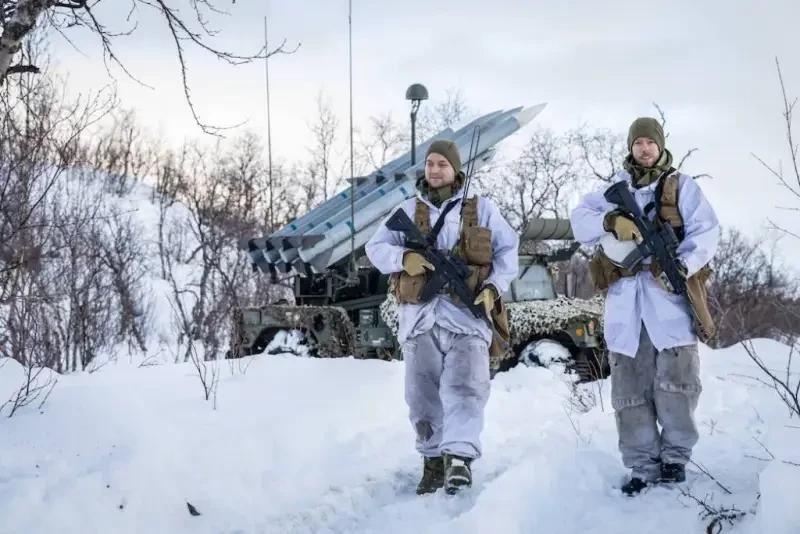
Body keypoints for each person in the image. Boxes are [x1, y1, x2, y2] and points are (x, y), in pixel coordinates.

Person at [570, 117, 720, 495]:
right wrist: (610, 220)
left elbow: (707, 230)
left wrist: (681, 265)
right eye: (638, 143)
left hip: (669, 303)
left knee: (677, 386)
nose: (644, 149)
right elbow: (579, 220)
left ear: (660, 145)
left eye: (650, 143)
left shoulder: (681, 186)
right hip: (626, 308)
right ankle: (641, 466)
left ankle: (674, 459)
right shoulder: (613, 190)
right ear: (630, 148)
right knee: (629, 393)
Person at [365, 139, 518, 495]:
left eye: (442, 165)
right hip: (420, 318)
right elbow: (375, 247)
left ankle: (460, 459)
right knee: (421, 394)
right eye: (431, 163)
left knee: (467, 387)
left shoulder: (481, 209)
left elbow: (508, 250)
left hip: (467, 318)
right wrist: (404, 258)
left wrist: (493, 287)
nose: (435, 170)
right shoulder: (407, 209)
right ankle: (432, 461)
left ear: (455, 170)